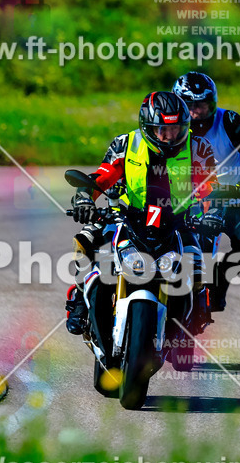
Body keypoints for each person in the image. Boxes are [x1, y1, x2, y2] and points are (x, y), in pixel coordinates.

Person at [64, 91, 216, 336]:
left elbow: (211, 189)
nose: (170, 137)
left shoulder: (199, 148)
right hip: (125, 216)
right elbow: (100, 177)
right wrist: (84, 199)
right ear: (147, 127)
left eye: (176, 129)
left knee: (201, 255)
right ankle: (80, 298)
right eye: (163, 130)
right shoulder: (126, 144)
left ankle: (197, 306)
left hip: (178, 221)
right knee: (86, 238)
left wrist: (214, 212)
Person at [172, 71, 240, 312]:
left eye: (202, 105)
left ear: (212, 104)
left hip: (236, 200)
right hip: (198, 201)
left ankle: (219, 280)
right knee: (199, 256)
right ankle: (187, 304)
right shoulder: (171, 130)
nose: (196, 113)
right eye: (189, 106)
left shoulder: (229, 120)